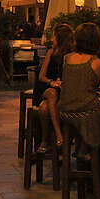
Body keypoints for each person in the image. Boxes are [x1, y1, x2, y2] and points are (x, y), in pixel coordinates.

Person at [58, 23, 100, 150]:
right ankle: (89, 150)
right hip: (85, 113)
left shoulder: (67, 58)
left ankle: (82, 147)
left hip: (64, 110)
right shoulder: (97, 63)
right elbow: (95, 86)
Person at [35, 23, 74, 153]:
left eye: (54, 37)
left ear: (60, 40)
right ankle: (59, 135)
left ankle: (44, 142)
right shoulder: (51, 53)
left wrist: (62, 82)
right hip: (46, 87)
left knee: (44, 107)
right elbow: (41, 76)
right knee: (52, 93)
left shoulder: (71, 56)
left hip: (63, 90)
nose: (51, 40)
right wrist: (51, 82)